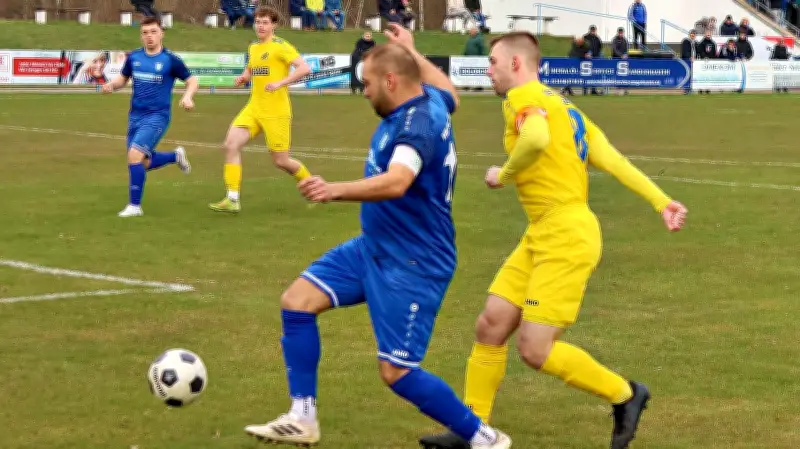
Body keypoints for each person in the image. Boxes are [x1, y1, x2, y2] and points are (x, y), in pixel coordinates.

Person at [242, 24, 511, 449]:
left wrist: (334, 190)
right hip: (374, 247)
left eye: (366, 83)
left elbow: (398, 181)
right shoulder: (431, 100)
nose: (363, 91)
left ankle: (485, 438)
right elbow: (451, 92)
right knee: (297, 301)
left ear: (390, 81)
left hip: (414, 260)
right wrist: (411, 51)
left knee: (397, 372)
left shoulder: (415, 127)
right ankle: (302, 416)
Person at [419, 31, 687, 449]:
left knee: (534, 349)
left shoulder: (523, 98)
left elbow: (536, 139)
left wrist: (503, 175)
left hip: (566, 235)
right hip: (543, 230)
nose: (488, 70)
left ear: (514, 64)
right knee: (491, 325)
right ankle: (473, 430)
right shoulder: (565, 106)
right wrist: (661, 201)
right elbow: (610, 157)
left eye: (492, 62)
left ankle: (626, 395)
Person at [209, 7, 312, 214]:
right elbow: (251, 68)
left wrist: (280, 83)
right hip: (254, 108)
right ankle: (232, 199)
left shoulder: (281, 46)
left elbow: (304, 68)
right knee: (230, 144)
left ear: (274, 25)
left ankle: (313, 186)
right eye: (257, 22)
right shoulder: (254, 47)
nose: (260, 26)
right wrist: (244, 77)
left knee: (281, 161)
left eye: (265, 22)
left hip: (276, 111)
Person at [101, 17, 197, 218]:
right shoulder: (134, 57)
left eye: (153, 32)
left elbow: (192, 79)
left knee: (134, 156)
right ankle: (175, 156)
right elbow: (123, 78)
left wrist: (188, 96)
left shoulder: (170, 59)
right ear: (141, 35)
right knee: (141, 163)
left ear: (162, 33)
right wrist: (112, 85)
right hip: (135, 116)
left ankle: (135, 206)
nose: (149, 36)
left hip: (157, 116)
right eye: (145, 33)